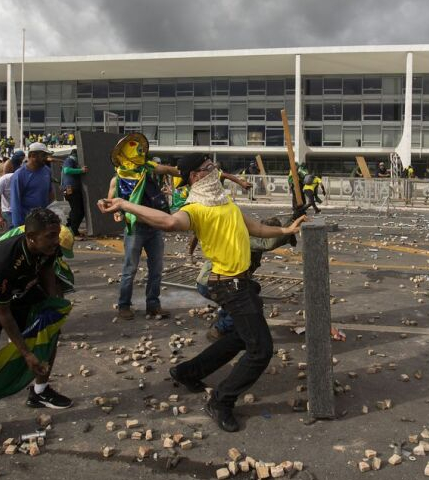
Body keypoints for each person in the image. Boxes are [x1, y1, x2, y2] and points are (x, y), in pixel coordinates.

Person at [97, 153, 306, 433]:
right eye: (209, 168)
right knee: (261, 350)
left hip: (241, 283)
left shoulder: (226, 203)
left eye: (214, 166)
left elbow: (254, 227)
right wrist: (124, 204)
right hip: (228, 284)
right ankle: (221, 401)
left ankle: (187, 372)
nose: (215, 171)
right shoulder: (195, 209)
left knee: (239, 338)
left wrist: (286, 228)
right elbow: (168, 222)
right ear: (195, 176)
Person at [0, 209, 72, 446]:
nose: (56, 241)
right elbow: (3, 314)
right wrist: (26, 352)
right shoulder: (3, 260)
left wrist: (54, 304)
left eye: (57, 234)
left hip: (24, 290)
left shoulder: (47, 248)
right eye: (51, 236)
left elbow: (46, 271)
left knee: (50, 329)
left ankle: (40, 391)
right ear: (31, 237)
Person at [110, 133, 179, 320]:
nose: (138, 151)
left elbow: (169, 169)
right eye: (133, 148)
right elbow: (111, 202)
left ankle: (153, 305)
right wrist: (115, 210)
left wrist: (188, 171)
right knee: (129, 269)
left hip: (155, 228)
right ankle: (124, 305)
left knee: (156, 269)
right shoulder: (117, 180)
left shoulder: (148, 170)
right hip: (135, 229)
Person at [10, 143, 54, 227]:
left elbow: (50, 193)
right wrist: (18, 226)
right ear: (33, 155)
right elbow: (15, 202)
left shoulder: (47, 171)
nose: (46, 158)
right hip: (26, 221)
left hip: (43, 220)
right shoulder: (19, 175)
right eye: (43, 155)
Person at [61, 149, 89, 236]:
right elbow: (67, 170)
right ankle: (72, 230)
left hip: (73, 189)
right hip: (71, 189)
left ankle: (70, 227)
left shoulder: (72, 162)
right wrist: (81, 170)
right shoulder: (69, 160)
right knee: (78, 211)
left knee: (77, 210)